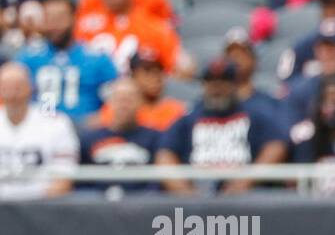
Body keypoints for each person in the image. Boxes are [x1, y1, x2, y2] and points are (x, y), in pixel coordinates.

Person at [156, 58, 290, 194]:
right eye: (211, 82)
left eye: (223, 82)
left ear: (234, 85)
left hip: (245, 198)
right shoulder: (189, 118)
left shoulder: (253, 114)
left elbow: (276, 146)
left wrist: (246, 181)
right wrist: (185, 191)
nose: (217, 88)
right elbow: (165, 154)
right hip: (198, 193)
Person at [17, 0, 119, 121]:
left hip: (86, 128)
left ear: (74, 18)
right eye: (49, 19)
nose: (54, 26)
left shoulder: (97, 58)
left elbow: (115, 100)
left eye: (59, 19)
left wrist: (100, 119)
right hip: (40, 129)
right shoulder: (28, 57)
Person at [0, 61, 78, 200]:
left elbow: (63, 181)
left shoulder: (56, 123)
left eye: (18, 86)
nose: (12, 93)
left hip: (42, 208)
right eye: (6, 86)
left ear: (30, 87)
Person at [78, 76, 161, 193]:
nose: (124, 105)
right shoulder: (89, 139)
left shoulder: (155, 138)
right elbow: (80, 181)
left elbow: (157, 182)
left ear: (141, 102)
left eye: (129, 99)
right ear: (110, 102)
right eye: (119, 99)